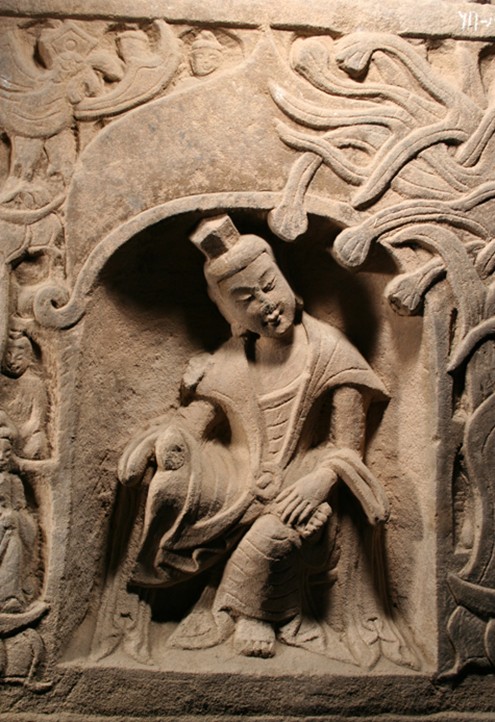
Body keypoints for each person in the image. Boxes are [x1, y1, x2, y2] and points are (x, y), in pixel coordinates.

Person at [118, 215, 394, 660]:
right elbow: (194, 423)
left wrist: (319, 481)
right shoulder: (230, 358)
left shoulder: (331, 352)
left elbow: (346, 448)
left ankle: (250, 612)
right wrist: (171, 442)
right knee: (170, 484)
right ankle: (137, 600)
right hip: (235, 475)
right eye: (245, 300)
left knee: (275, 532)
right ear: (230, 314)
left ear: (287, 281)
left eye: (269, 285)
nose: (266, 304)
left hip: (299, 477)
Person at [0, 414, 37, 614]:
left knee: (14, 543)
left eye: (6, 453)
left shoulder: (14, 482)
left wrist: (16, 519)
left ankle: (9, 597)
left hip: (9, 529)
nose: (1, 457)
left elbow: (21, 509)